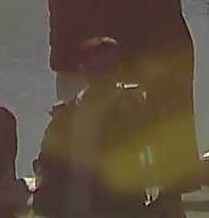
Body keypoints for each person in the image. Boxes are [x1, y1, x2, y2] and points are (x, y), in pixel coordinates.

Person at [34, 38, 157, 218]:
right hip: (71, 207)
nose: (103, 74)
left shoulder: (134, 106)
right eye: (96, 68)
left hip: (121, 207)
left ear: (119, 69)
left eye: (109, 67)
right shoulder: (66, 115)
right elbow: (47, 164)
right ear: (83, 69)